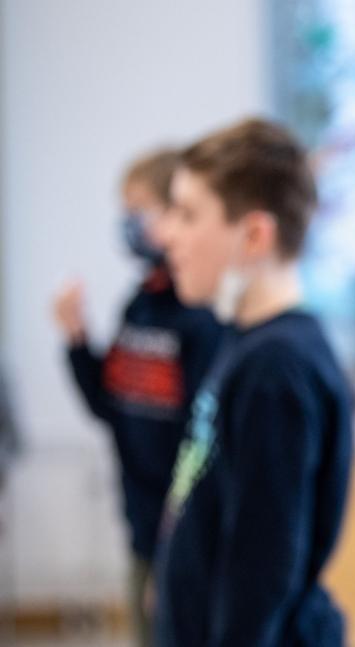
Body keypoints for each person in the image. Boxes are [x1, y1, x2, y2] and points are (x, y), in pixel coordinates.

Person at [152, 118, 354, 647]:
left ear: (255, 235)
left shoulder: (276, 369)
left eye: (187, 214)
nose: (165, 234)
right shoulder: (243, 343)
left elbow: (263, 569)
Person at [52, 148, 222, 647]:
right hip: (141, 525)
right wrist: (77, 338)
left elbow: (204, 443)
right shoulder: (139, 303)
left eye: (140, 209)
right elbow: (111, 406)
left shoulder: (202, 317)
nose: (129, 223)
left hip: (185, 536)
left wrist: (178, 550)